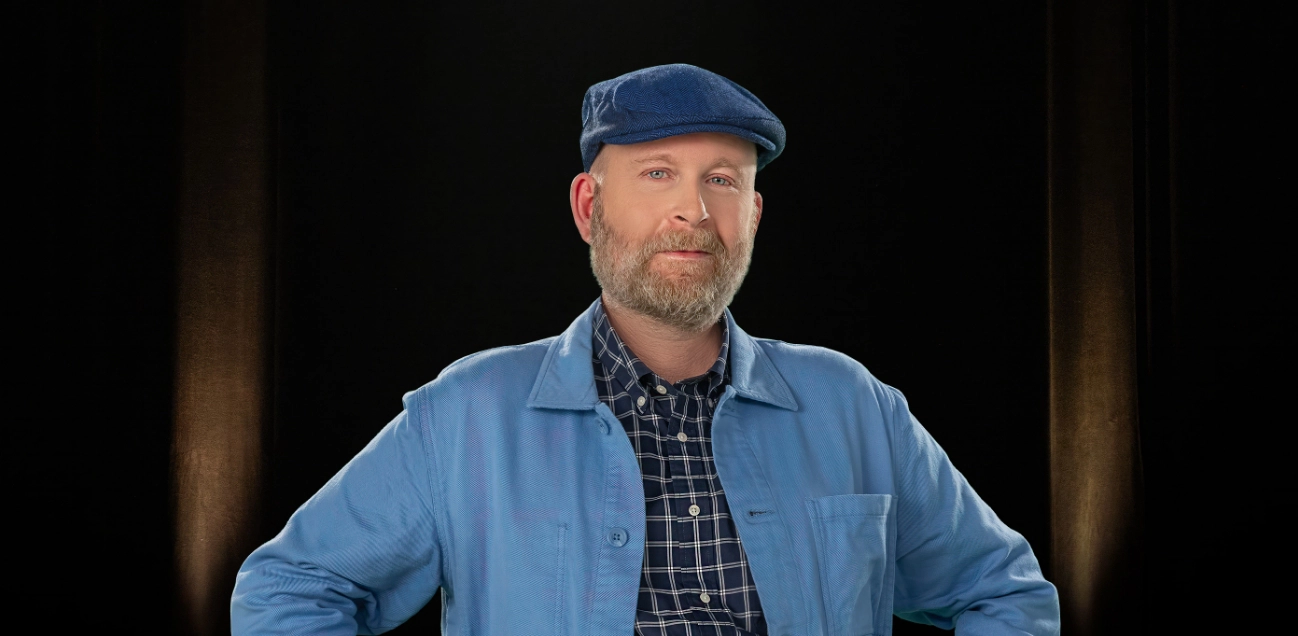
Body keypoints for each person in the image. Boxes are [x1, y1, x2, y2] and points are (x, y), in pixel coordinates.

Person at [231, 63, 1060, 636]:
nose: (693, 212)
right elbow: (291, 589)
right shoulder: (466, 414)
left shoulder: (854, 406)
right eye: (658, 173)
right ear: (590, 205)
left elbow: (1004, 593)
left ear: (754, 216)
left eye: (722, 179)